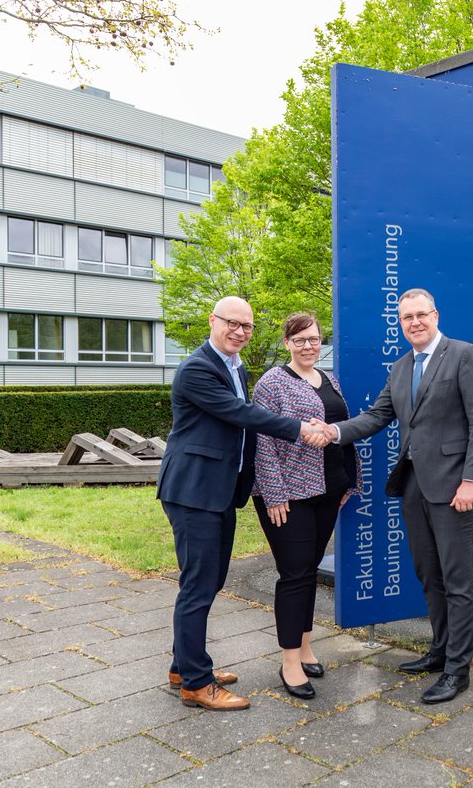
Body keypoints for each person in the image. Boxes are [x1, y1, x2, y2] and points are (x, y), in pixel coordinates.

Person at [316, 288, 473, 704]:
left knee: (459, 580)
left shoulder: (464, 355)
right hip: (414, 484)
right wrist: (334, 432)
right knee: (428, 575)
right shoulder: (400, 367)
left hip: (456, 487)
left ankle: (458, 670)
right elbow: (379, 415)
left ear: (436, 314)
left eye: (421, 314)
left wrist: (472, 480)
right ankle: (439, 650)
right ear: (400, 323)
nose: (414, 322)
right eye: (406, 317)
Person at [157, 296, 326, 711]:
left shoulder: (236, 366)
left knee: (210, 582)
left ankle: (184, 666)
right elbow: (239, 413)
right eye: (232, 323)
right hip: (192, 492)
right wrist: (299, 428)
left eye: (247, 326)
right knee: (198, 586)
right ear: (212, 321)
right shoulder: (197, 368)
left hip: (219, 492)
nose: (240, 331)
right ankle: (196, 684)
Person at [251, 312, 361, 700]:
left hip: (329, 490)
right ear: (287, 344)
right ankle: (289, 662)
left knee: (308, 572)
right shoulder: (272, 383)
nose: (309, 346)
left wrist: (349, 481)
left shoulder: (329, 379)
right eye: (300, 340)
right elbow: (262, 442)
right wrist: (274, 494)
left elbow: (340, 430)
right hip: (289, 496)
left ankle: (306, 646)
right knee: (294, 575)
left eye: (314, 339)